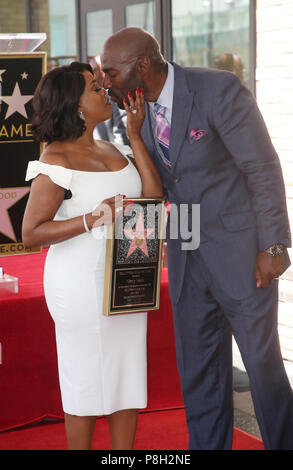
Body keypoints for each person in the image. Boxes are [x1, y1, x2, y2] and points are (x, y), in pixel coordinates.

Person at [100, 28, 293, 450]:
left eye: (111, 71)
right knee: (200, 374)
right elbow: (159, 187)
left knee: (262, 370)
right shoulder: (134, 111)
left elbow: (262, 167)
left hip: (243, 256)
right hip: (187, 259)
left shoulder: (217, 89)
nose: (105, 81)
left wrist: (275, 245)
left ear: (142, 66)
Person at [22, 61, 163, 450]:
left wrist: (135, 136)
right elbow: (31, 232)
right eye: (95, 88)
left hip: (127, 278)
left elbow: (151, 198)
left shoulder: (115, 147)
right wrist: (94, 217)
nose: (106, 92)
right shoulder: (56, 160)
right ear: (76, 105)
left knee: (128, 376)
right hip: (79, 284)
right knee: (84, 378)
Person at [90, 57, 129, 145]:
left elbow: (122, 136)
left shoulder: (115, 97)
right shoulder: (88, 99)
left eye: (94, 70)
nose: (91, 75)